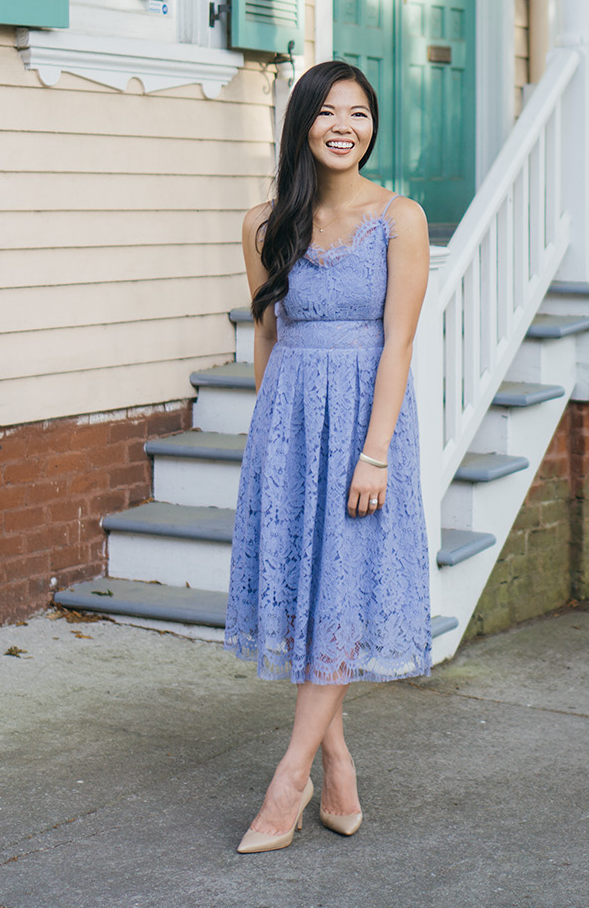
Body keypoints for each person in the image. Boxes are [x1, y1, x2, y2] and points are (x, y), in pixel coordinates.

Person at [224, 59, 432, 854]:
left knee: (340, 593)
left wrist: (374, 453)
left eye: (360, 113)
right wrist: (268, 437)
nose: (346, 126)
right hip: (289, 424)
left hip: (362, 427)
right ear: (303, 122)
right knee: (309, 595)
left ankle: (289, 780)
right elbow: (267, 336)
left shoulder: (399, 218)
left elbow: (400, 342)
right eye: (329, 112)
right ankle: (337, 762)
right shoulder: (262, 223)